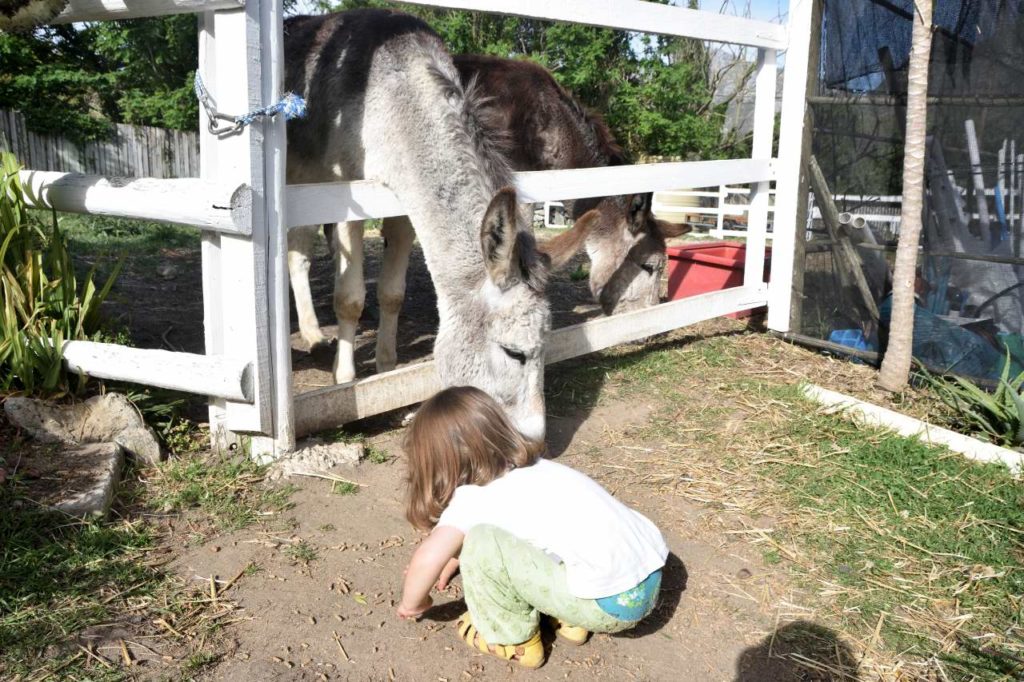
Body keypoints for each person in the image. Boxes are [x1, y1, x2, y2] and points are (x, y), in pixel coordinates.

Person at [395, 386, 669, 669]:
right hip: (647, 577)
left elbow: (426, 558)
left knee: (482, 542)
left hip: (609, 604)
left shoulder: (472, 498)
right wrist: (454, 557)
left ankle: (515, 641)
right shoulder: (539, 469)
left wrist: (413, 604)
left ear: (437, 462)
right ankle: (571, 620)